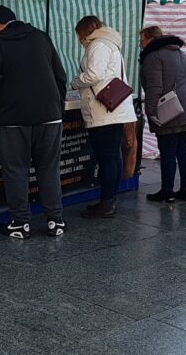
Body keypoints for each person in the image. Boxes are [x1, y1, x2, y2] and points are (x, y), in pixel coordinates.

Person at [0, 5, 67, 238]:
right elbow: (60, 75)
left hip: (13, 118)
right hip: (49, 116)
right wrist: (56, 104)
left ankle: (20, 223)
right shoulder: (41, 37)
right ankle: (56, 220)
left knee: (16, 169)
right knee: (48, 167)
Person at [71, 16, 138, 219]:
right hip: (115, 108)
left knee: (107, 157)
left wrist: (75, 82)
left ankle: (107, 202)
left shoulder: (97, 45)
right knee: (113, 156)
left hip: (104, 110)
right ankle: (110, 199)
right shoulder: (110, 43)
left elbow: (94, 74)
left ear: (83, 31)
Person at [138, 26, 186, 203]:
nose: (140, 44)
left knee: (167, 151)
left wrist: (151, 112)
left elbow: (154, 87)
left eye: (142, 40)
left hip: (169, 110)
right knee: (184, 150)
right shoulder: (180, 52)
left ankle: (167, 191)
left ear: (151, 39)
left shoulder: (153, 56)